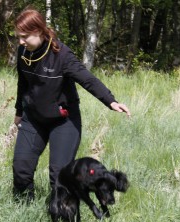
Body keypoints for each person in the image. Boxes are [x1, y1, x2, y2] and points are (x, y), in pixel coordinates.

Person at [12, 8, 131, 203]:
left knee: (60, 176)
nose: (21, 42)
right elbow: (23, 84)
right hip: (33, 118)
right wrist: (19, 111)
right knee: (21, 169)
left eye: (25, 37)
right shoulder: (23, 52)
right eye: (19, 37)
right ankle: (22, 210)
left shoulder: (62, 55)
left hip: (63, 121)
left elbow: (88, 80)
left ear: (40, 31)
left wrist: (111, 101)